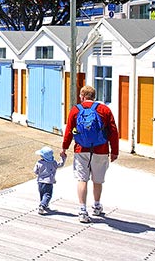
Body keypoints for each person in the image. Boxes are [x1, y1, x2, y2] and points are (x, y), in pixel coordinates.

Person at [61, 85, 119, 223]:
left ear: (82, 96)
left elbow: (69, 130)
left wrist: (64, 147)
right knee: (97, 180)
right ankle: (97, 206)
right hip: (101, 150)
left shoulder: (75, 110)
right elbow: (113, 132)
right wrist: (114, 151)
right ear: (94, 96)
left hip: (81, 150)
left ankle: (82, 210)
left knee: (82, 179)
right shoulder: (104, 109)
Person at [34, 146, 66, 214]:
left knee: (42, 194)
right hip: (49, 182)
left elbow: (35, 171)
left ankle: (43, 204)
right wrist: (63, 158)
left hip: (40, 181)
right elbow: (60, 164)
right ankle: (42, 206)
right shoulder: (53, 163)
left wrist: (39, 173)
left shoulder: (39, 162)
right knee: (48, 194)